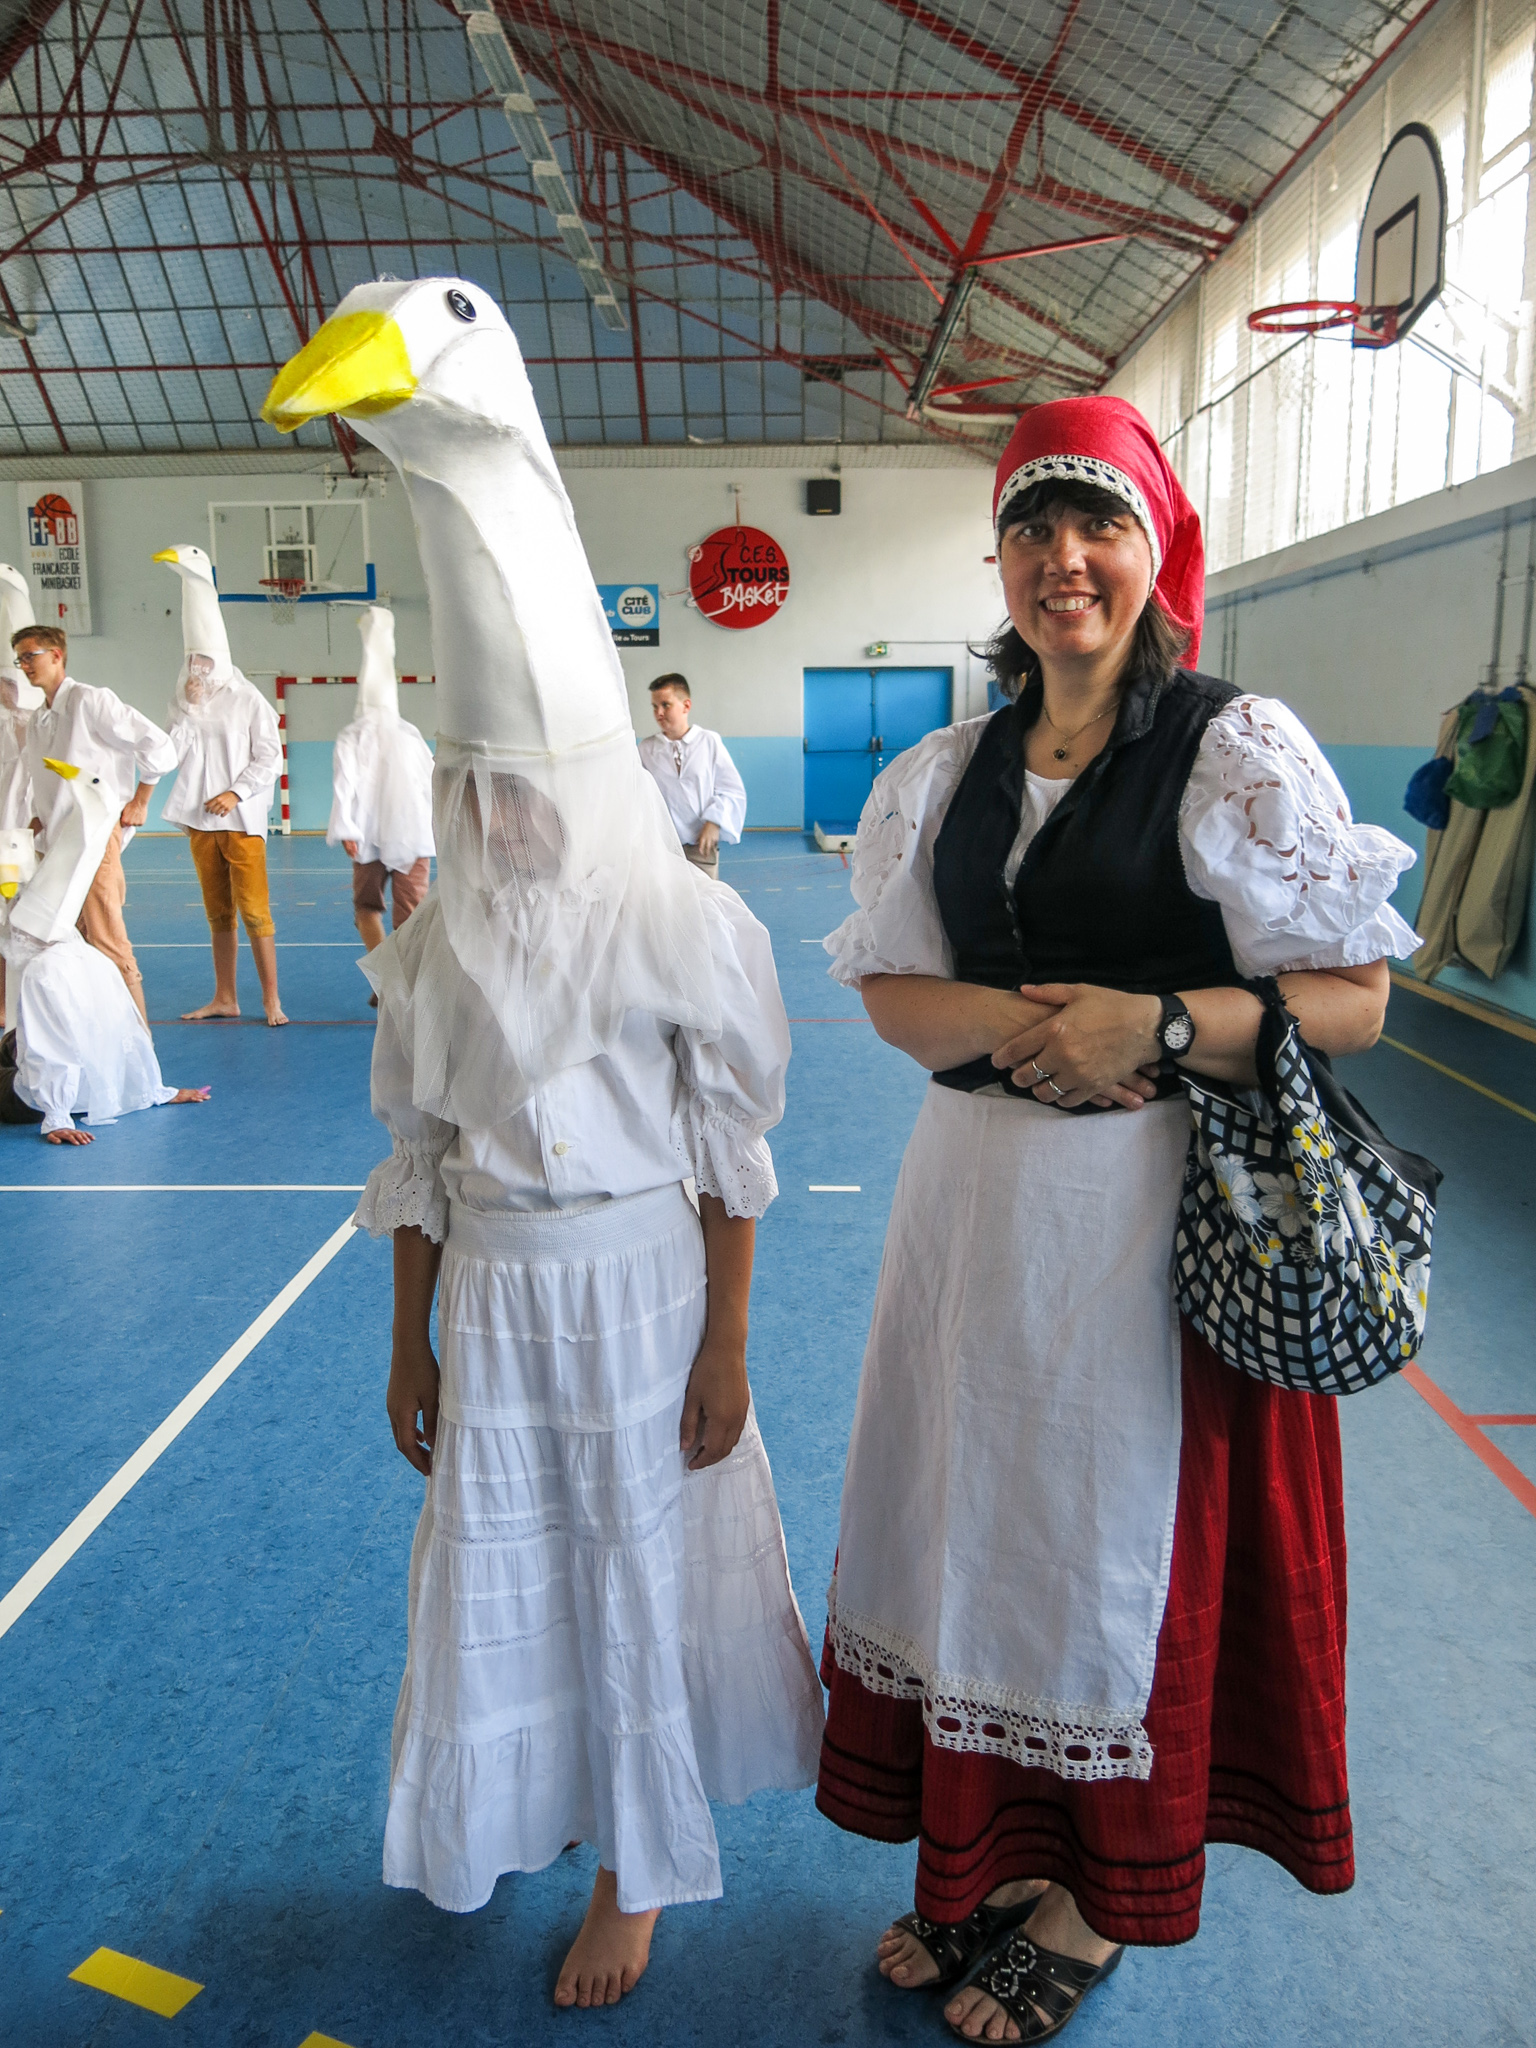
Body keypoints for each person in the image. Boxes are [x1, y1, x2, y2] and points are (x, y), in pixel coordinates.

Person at [813, 395, 1424, 2045]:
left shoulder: (1232, 747)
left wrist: (1147, 1025)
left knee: (1109, 1554)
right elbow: (890, 987)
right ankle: (1008, 1858)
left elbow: (1355, 998)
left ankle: (1094, 1898)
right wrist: (1025, 1030)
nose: (1063, 558)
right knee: (983, 1528)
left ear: (1156, 559)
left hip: (1151, 1228)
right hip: (971, 1218)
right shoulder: (948, 768)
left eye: (1099, 526)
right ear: (1000, 561)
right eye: (1032, 527)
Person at [262, 273, 824, 2011]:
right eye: (482, 793)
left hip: (640, 1291)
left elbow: (727, 1151)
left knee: (632, 1571)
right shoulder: (440, 947)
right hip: (498, 1303)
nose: (508, 820)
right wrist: (408, 1338)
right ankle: (513, 1800)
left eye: (532, 793)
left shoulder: (677, 924)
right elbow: (425, 1160)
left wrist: (728, 1343)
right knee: (507, 1567)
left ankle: (636, 1869)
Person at [0, 759, 207, 1143]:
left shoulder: (39, 973)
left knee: (18, 1045)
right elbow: (130, 1035)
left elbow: (50, 1052)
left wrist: (57, 1117)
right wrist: (154, 1090)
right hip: (98, 1088)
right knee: (12, 1043)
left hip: (39, 1101)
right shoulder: (92, 957)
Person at [155, 544, 287, 1027]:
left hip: (241, 822)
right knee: (218, 914)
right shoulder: (185, 699)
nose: (199, 670)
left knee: (255, 912)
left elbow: (270, 757)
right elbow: (169, 754)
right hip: (200, 822)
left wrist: (236, 793)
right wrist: (189, 708)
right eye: (193, 662)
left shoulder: (249, 700)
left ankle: (271, 999)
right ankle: (225, 997)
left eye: (205, 662)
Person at [20, 624, 175, 1027]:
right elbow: (45, 783)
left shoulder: (90, 701)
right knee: (67, 940)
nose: (24, 665)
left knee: (108, 938)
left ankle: (141, 1043)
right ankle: (95, 1032)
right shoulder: (39, 719)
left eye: (30, 656)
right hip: (55, 845)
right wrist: (36, 821)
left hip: (93, 838)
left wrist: (141, 801)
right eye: (19, 659)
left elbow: (159, 746)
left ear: (56, 655)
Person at [326, 604, 434, 1001]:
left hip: (374, 835)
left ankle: (389, 978)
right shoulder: (409, 735)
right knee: (408, 914)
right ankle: (397, 981)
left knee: (370, 908)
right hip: (407, 836)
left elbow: (344, 784)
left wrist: (346, 827)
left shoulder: (354, 736)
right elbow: (431, 781)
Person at [637, 673, 746, 880]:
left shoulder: (709, 742)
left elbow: (731, 790)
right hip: (663, 850)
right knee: (668, 900)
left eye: (666, 705)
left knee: (705, 898)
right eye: (654, 706)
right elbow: (638, 796)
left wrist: (714, 822)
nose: (659, 713)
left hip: (701, 847)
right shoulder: (646, 749)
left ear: (686, 706)